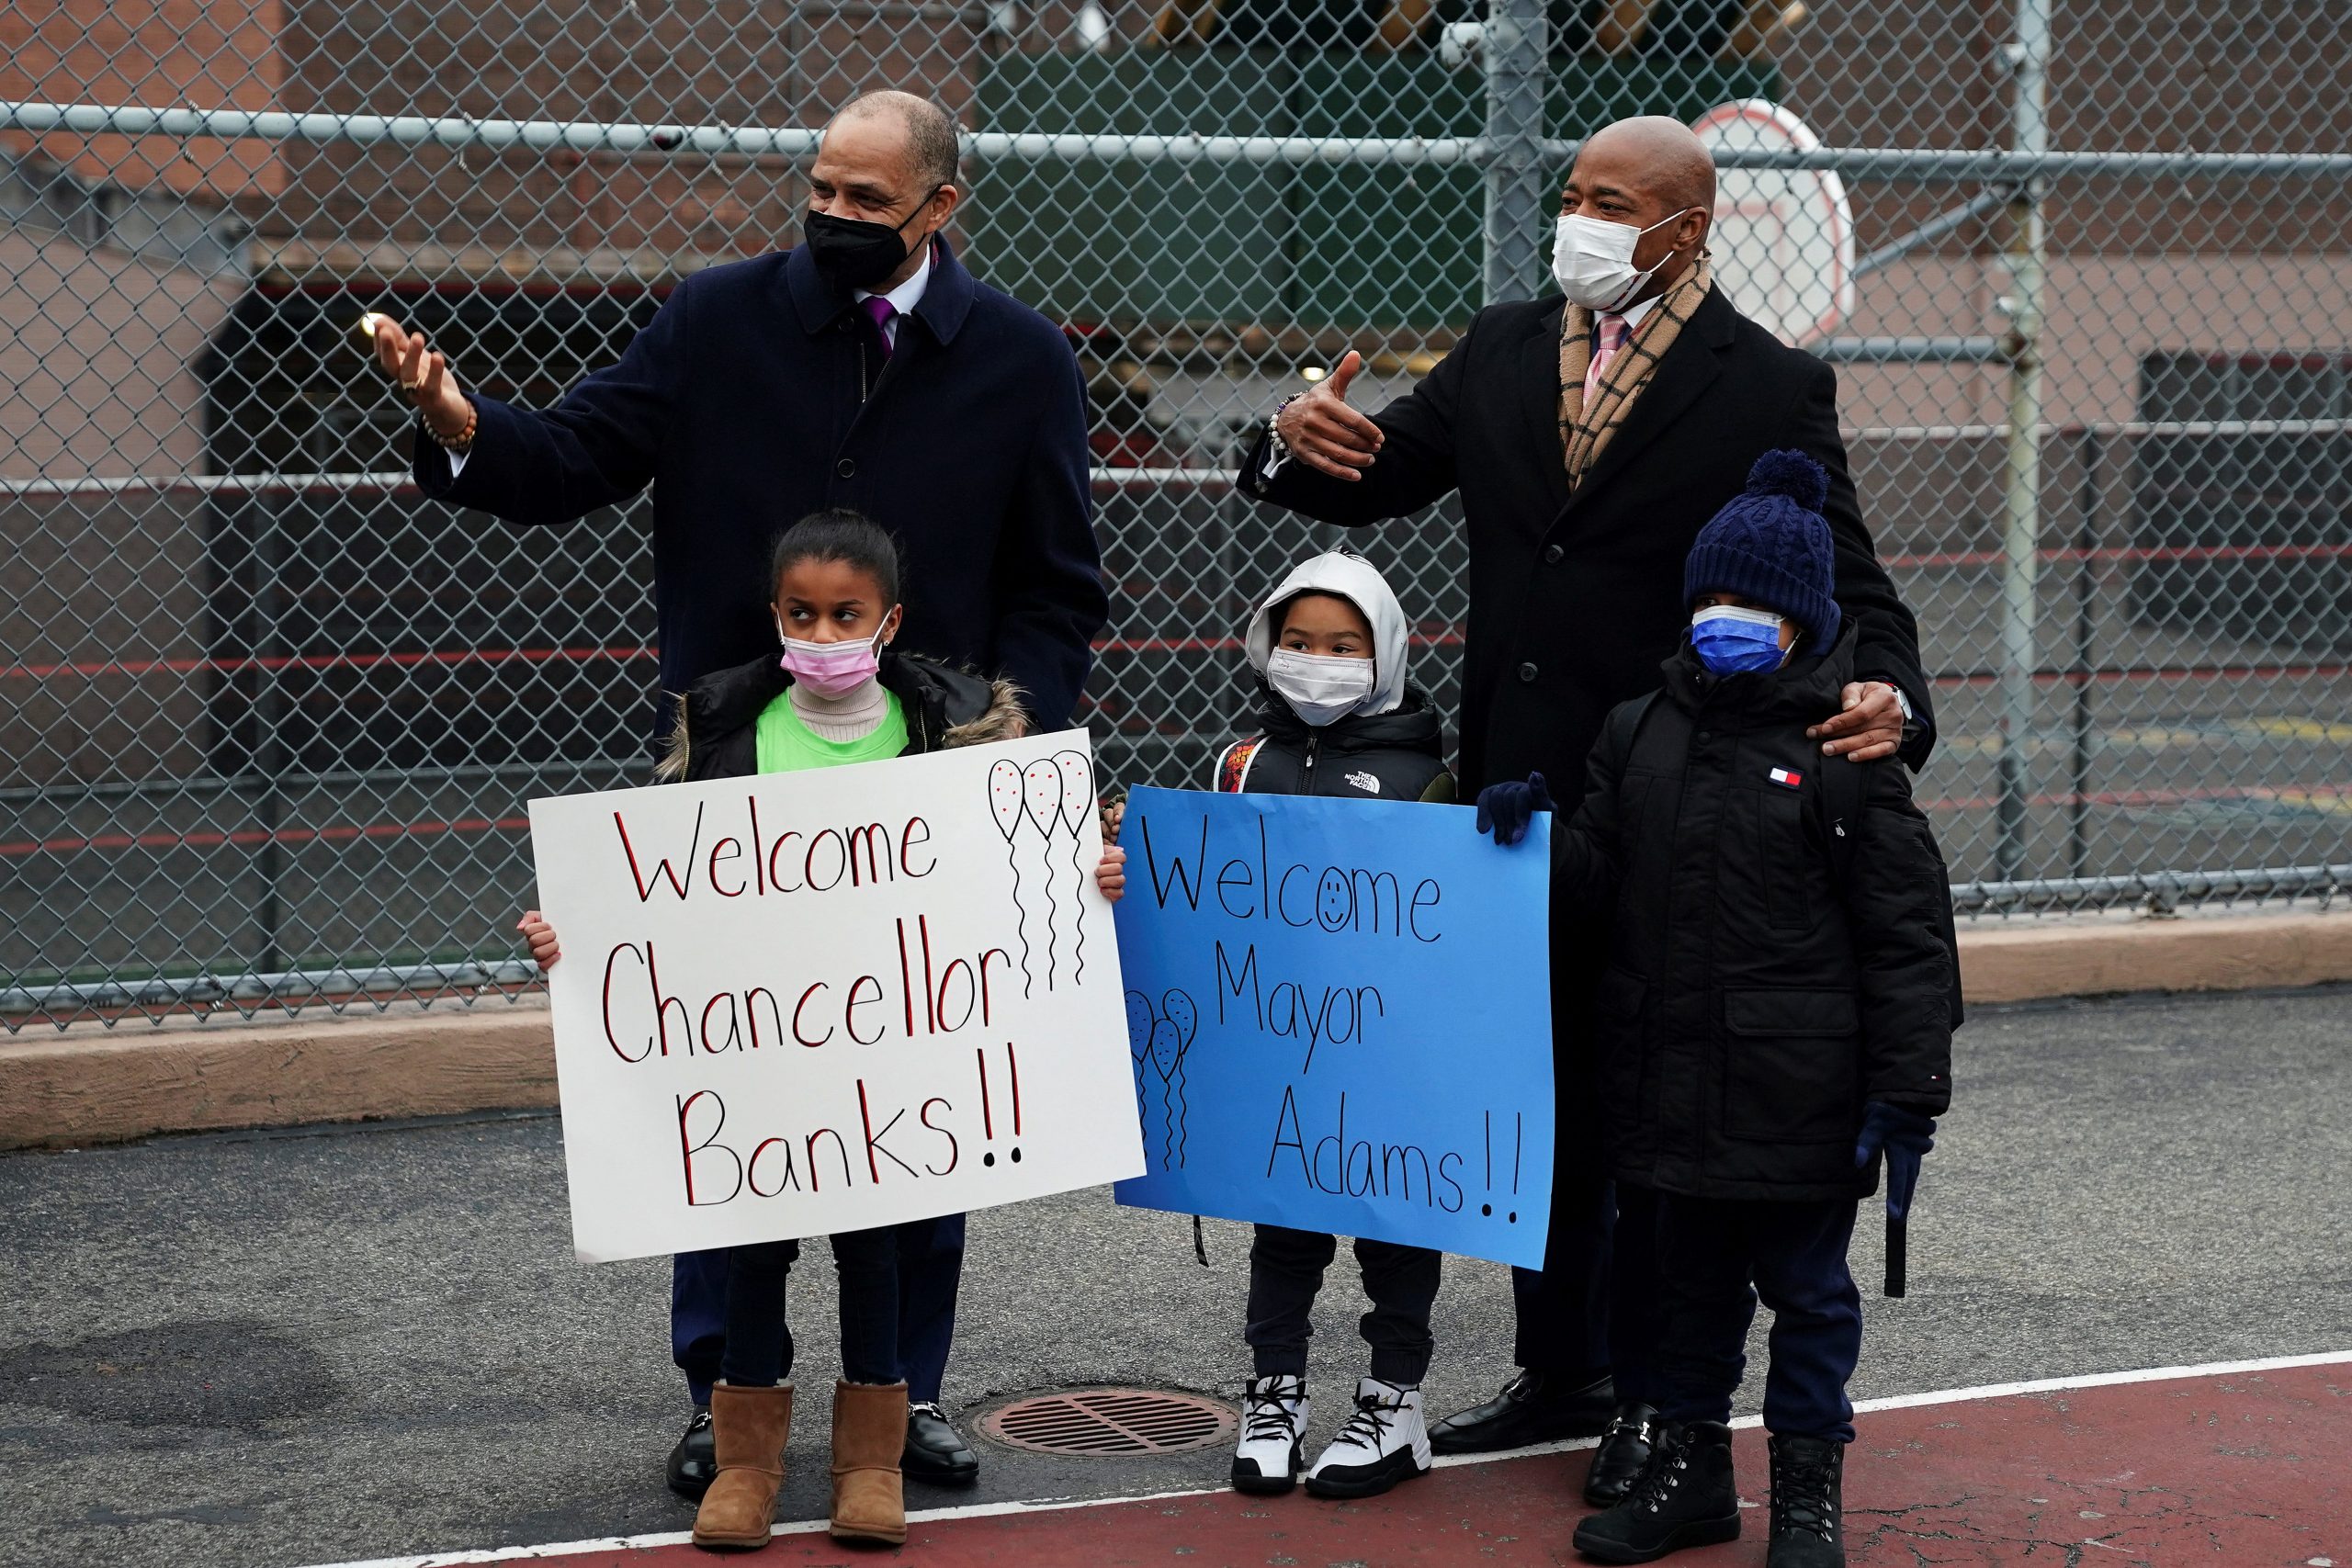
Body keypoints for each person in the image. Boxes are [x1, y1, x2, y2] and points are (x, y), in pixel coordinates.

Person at [368, 89, 1109, 1494]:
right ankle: (725, 1387)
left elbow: (1057, 587)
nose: (832, 217)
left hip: (926, 790)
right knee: (736, 1082)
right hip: (733, 777)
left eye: (867, 202)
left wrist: (1010, 752)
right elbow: (576, 454)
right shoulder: (715, 320)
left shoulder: (1022, 360)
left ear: (941, 210)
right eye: (820, 188)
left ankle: (908, 1391)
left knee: (916, 1087)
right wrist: (455, 415)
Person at [1238, 114, 1936, 1490]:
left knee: (1648, 1100)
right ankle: (1562, 1366)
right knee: (1535, 1085)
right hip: (1513, 792)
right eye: (1574, 194)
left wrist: (1896, 699)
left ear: (1688, 226)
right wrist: (1291, 441)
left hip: (1676, 789)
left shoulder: (1769, 383)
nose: (1586, 221)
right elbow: (1374, 476)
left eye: (1615, 202)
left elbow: (1850, 582)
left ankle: (1650, 1393)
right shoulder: (1502, 347)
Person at [519, 512, 1129, 1550]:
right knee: (753, 1252)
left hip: (899, 1062)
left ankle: (869, 1460)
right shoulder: (729, 730)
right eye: (801, 613)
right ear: (773, 616)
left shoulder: (952, 731)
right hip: (762, 1064)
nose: (823, 631)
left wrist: (1090, 875)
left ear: (888, 621)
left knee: (877, 1254)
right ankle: (746, 1461)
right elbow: (655, 891)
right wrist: (564, 932)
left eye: (846, 614)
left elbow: (1010, 877)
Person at [1476, 452, 1959, 1567]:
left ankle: (1804, 1500)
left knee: (1808, 1301)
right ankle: (1691, 1481)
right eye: (1709, 600)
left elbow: (1905, 937)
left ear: (1803, 621)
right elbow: (1598, 875)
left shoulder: (1843, 754)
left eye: (1753, 606)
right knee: (1680, 1302)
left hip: (1799, 1095)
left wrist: (1908, 1091)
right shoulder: (1637, 731)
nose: (1725, 620)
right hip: (1666, 1083)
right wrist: (1534, 837)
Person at [1186, 547, 1457, 1500]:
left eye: (1342, 644)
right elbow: (1198, 899)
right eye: (1296, 641)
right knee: (1285, 1231)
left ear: (1381, 652)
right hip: (1277, 1053)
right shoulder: (1236, 763)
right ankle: (1276, 1395)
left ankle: (1395, 1405)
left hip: (1389, 1056)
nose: (1316, 659)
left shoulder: (1428, 771)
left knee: (1397, 1230)